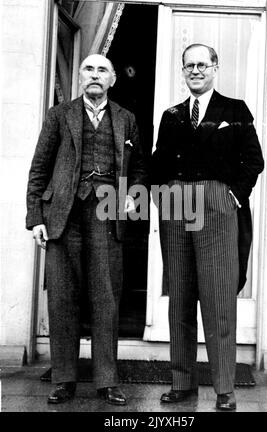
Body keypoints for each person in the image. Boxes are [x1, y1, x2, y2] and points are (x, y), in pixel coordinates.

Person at [26, 54, 147, 405]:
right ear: (80, 78)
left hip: (106, 214)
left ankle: (107, 381)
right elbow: (39, 168)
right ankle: (64, 379)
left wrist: (133, 197)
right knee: (62, 299)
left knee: (106, 299)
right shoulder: (59, 115)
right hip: (63, 216)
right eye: (88, 70)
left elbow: (139, 168)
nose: (95, 76)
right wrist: (36, 217)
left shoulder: (126, 119)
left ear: (113, 80)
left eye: (102, 71)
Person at [151, 43, 264, 411]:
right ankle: (182, 381)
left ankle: (224, 388)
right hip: (176, 205)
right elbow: (159, 162)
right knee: (180, 297)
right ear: (182, 71)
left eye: (202, 64)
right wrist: (160, 194)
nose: (195, 71)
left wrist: (233, 196)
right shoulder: (171, 115)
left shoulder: (235, 109)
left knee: (218, 299)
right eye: (189, 66)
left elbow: (254, 160)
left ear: (215, 67)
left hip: (217, 202)